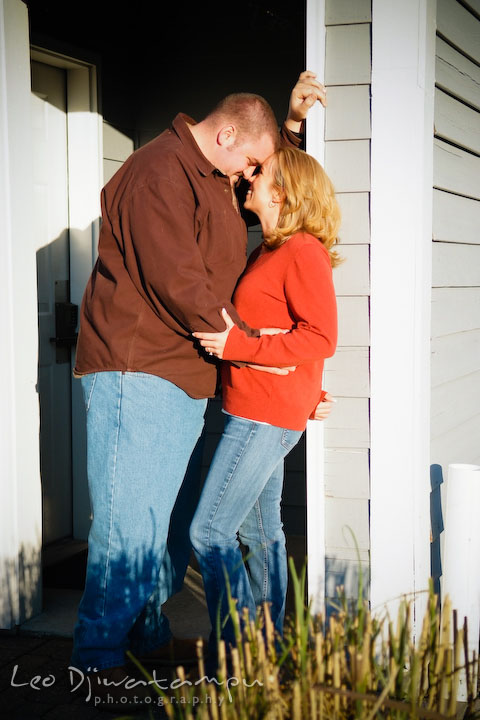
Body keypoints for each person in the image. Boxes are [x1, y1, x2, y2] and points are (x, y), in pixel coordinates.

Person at [70, 72, 328, 696]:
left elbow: (279, 189)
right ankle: (97, 664)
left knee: (167, 523)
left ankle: (145, 635)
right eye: (253, 163)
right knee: (129, 525)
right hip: (140, 374)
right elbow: (179, 284)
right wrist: (257, 354)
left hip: (185, 380)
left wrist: (289, 127)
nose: (252, 176)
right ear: (228, 134)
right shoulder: (158, 172)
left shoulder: (214, 175)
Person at [190, 146, 341, 653]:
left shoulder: (303, 250)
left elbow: (320, 336)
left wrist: (240, 347)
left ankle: (235, 653)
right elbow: (280, 328)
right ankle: (268, 652)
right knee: (261, 532)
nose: (250, 176)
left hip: (263, 415)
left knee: (209, 532)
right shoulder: (267, 250)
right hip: (252, 406)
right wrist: (306, 388)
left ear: (284, 192)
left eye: (262, 172)